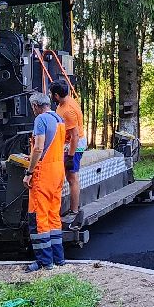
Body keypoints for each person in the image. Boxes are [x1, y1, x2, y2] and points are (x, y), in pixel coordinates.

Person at [23, 91, 66, 271]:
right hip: (58, 171)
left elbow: (39, 147)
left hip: (44, 174)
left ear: (35, 106)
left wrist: (29, 171)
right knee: (53, 216)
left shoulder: (40, 120)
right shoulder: (59, 119)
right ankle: (58, 258)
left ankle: (44, 261)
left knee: (39, 217)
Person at [50, 79, 85, 224]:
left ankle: (74, 211)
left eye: (52, 94)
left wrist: (70, 156)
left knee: (72, 177)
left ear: (57, 95)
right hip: (67, 143)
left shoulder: (68, 110)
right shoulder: (65, 102)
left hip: (74, 145)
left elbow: (75, 136)